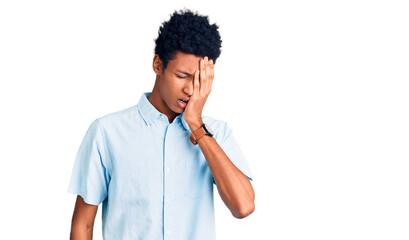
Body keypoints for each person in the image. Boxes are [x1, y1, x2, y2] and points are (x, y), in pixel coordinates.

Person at [68, 8, 255, 240]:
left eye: (198, 80)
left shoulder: (216, 134)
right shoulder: (106, 132)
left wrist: (196, 125)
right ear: (158, 65)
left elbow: (244, 206)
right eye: (182, 75)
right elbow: (83, 226)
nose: (189, 89)